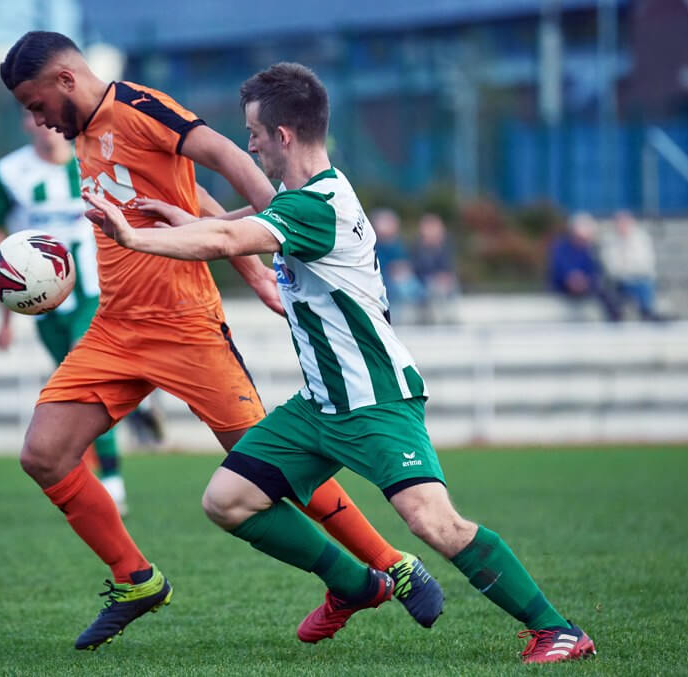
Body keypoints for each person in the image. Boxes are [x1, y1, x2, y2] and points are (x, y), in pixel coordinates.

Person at [86, 62, 596, 664]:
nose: (247, 143)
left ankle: (557, 630)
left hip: (375, 397)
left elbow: (228, 244)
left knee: (435, 524)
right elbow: (239, 224)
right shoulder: (301, 198)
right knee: (227, 500)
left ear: (283, 136)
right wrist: (194, 221)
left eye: (253, 132)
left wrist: (135, 237)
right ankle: (354, 585)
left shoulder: (318, 205)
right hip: (321, 403)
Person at [0, 32, 441, 650]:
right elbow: (193, 199)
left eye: (35, 100)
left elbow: (228, 159)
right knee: (43, 455)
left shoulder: (142, 107)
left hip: (188, 328)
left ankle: (392, 563)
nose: (36, 118)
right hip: (117, 327)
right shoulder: (83, 134)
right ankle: (136, 580)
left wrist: (274, 248)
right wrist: (256, 268)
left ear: (66, 80)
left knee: (278, 466)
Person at [0, 112, 156, 515]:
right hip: (44, 305)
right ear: (24, 123)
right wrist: (9, 299)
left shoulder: (91, 159)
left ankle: (112, 482)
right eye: (31, 115)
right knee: (77, 393)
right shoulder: (10, 172)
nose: (43, 123)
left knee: (88, 375)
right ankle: (134, 406)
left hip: (94, 290)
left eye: (47, 115)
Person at [547, 213, 621, 321]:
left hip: (586, 285)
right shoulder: (561, 247)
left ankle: (615, 317)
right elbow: (558, 268)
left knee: (605, 291)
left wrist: (585, 280)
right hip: (564, 285)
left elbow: (595, 269)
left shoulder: (590, 249)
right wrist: (571, 278)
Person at [601, 210, 661, 321]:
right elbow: (611, 267)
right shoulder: (609, 240)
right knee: (611, 287)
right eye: (619, 223)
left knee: (644, 284)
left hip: (639, 278)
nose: (622, 226)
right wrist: (627, 269)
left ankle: (646, 312)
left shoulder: (642, 239)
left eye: (625, 223)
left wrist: (627, 268)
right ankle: (619, 316)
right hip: (619, 281)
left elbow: (645, 263)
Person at [371, 208, 423, 324]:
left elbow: (406, 263)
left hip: (402, 280)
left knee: (414, 287)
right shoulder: (373, 245)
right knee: (402, 289)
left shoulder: (398, 244)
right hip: (385, 283)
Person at [411, 213, 458, 324]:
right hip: (423, 281)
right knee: (434, 288)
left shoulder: (445, 246)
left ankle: (449, 319)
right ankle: (433, 321)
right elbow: (417, 269)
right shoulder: (417, 247)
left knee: (449, 285)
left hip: (441, 281)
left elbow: (448, 267)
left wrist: (445, 277)